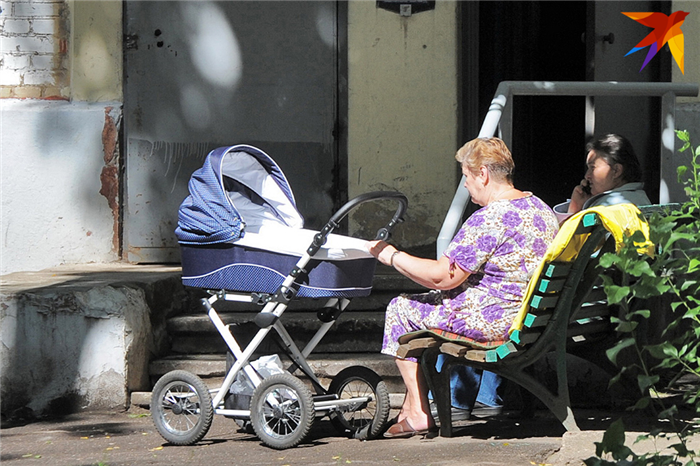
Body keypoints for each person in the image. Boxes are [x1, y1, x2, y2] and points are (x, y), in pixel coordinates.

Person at [366, 137, 559, 438]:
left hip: (494, 320)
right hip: (531, 317)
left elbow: (442, 277)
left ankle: (417, 412)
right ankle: (411, 407)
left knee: (401, 308)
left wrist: (392, 256)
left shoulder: (489, 219)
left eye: (466, 177)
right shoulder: (540, 208)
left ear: (482, 174)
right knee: (426, 304)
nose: (466, 186)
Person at [554, 133, 651, 223]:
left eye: (593, 167)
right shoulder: (640, 198)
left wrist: (574, 210)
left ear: (616, 170)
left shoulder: (606, 207)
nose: (587, 175)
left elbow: (570, 240)